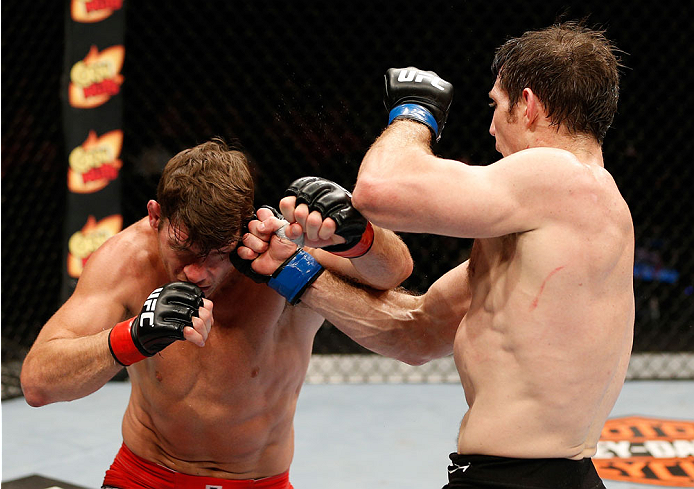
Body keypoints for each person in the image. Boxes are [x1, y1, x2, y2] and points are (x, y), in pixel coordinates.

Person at [240, 22, 634, 489]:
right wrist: (293, 271)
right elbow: (418, 332)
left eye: (495, 106)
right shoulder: (570, 220)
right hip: (549, 477)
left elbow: (380, 190)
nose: (490, 127)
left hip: (516, 481)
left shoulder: (562, 177)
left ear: (527, 106)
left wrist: (414, 113)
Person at [19, 138, 413, 488]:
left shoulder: (282, 250)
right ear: (156, 216)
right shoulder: (127, 260)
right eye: (184, 250)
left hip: (259, 481)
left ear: (244, 228)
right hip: (144, 476)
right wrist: (132, 337)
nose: (198, 273)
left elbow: (394, 273)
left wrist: (362, 235)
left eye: (219, 254)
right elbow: (38, 384)